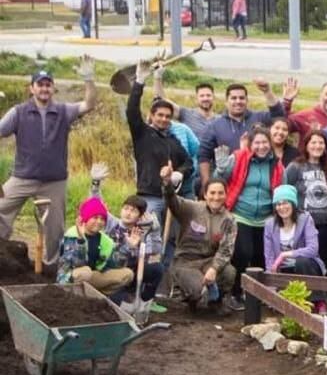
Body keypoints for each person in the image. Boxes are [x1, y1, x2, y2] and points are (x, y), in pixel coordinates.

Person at [0, 57, 98, 266]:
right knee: (1, 209)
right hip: (22, 177)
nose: (44, 88)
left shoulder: (64, 111)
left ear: (53, 88)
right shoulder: (18, 112)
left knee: (55, 229)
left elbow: (89, 104)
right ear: (32, 88)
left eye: (48, 85)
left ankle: (52, 267)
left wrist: (89, 79)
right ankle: (1, 255)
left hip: (54, 181)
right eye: (40, 85)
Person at [215, 126, 283, 310]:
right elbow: (218, 179)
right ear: (250, 144)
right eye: (257, 143)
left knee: (261, 256)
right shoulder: (239, 158)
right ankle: (236, 292)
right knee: (243, 253)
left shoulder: (276, 164)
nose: (261, 146)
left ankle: (256, 294)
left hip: (266, 217)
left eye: (264, 142)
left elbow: (281, 188)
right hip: (241, 213)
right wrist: (221, 169)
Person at [162, 163, 237, 312]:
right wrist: (167, 183)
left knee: (229, 272)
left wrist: (214, 268)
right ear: (205, 194)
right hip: (185, 262)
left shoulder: (229, 219)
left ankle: (217, 301)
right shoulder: (191, 208)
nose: (216, 197)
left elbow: (226, 250)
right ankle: (190, 297)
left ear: (226, 195)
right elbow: (172, 200)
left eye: (220, 193)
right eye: (212, 193)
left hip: (209, 261)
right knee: (197, 290)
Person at [126, 61, 193, 223]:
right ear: (152, 115)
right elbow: (132, 111)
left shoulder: (173, 140)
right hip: (150, 197)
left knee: (171, 242)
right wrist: (140, 82)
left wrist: (180, 173)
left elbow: (189, 163)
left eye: (167, 116)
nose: (164, 119)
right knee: (149, 239)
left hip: (172, 199)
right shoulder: (142, 133)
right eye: (160, 115)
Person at [198, 80, 288, 193]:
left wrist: (267, 91)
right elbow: (204, 156)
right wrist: (206, 184)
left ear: (247, 100)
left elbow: (279, 115)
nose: (238, 101)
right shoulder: (214, 126)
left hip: (259, 181)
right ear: (226, 101)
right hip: (229, 183)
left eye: (241, 98)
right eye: (234, 98)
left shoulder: (259, 117)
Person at [284, 129, 327, 275]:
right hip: (303, 223)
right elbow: (285, 191)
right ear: (306, 145)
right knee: (306, 259)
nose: (317, 146)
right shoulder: (295, 166)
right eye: (313, 142)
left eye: (321, 143)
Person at [264, 185, 327, 308]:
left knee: (302, 262)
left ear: (293, 204)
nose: (282, 207)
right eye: (278, 204)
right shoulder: (269, 224)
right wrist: (271, 289)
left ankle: (319, 302)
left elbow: (313, 249)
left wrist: (284, 254)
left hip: (307, 266)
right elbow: (269, 258)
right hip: (283, 269)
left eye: (286, 203)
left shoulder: (306, 219)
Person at [56, 197, 134, 295]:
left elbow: (113, 264)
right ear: (86, 218)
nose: (99, 222)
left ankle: (96, 296)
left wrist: (129, 247)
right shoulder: (72, 235)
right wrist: (81, 240)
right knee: (85, 272)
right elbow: (77, 263)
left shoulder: (104, 240)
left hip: (93, 276)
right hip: (71, 277)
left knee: (127, 274)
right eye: (95, 217)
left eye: (102, 219)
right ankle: (73, 296)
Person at [105, 194, 164, 308]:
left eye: (133, 211)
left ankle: (145, 300)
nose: (128, 213)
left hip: (134, 272)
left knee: (157, 269)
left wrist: (155, 232)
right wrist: (96, 185)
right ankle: (124, 297)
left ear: (140, 216)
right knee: (116, 304)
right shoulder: (113, 224)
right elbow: (98, 206)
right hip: (113, 271)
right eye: (126, 208)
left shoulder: (141, 232)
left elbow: (154, 250)